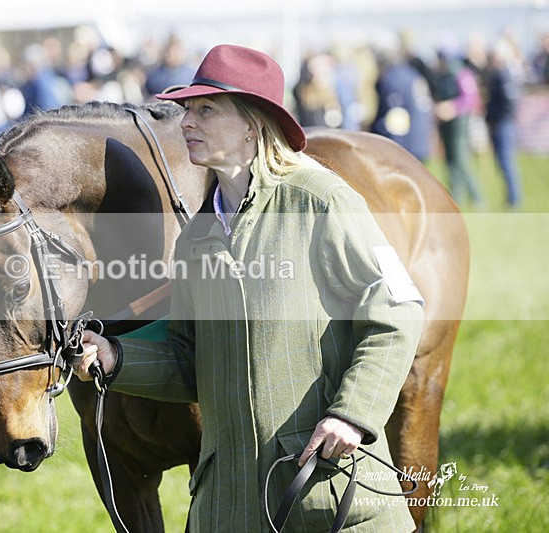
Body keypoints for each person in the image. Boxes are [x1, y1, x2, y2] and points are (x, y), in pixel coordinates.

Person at [77, 44, 424, 532]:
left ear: (251, 122)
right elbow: (191, 360)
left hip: (324, 492)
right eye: (185, 111)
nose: (186, 124)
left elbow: (398, 311)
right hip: (227, 505)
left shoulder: (321, 201)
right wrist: (117, 357)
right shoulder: (196, 237)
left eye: (205, 110)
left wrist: (352, 415)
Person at [431, 48, 484, 207]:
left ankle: (476, 197)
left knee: (460, 159)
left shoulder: (462, 73)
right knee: (449, 159)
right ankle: (456, 196)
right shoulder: (442, 74)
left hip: (459, 122)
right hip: (446, 123)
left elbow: (470, 98)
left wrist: (451, 107)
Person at [485, 40, 523, 209]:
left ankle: (514, 199)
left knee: (506, 161)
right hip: (500, 123)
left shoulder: (503, 74)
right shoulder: (501, 74)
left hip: (502, 124)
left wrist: (496, 118)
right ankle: (511, 198)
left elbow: (509, 101)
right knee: (503, 162)